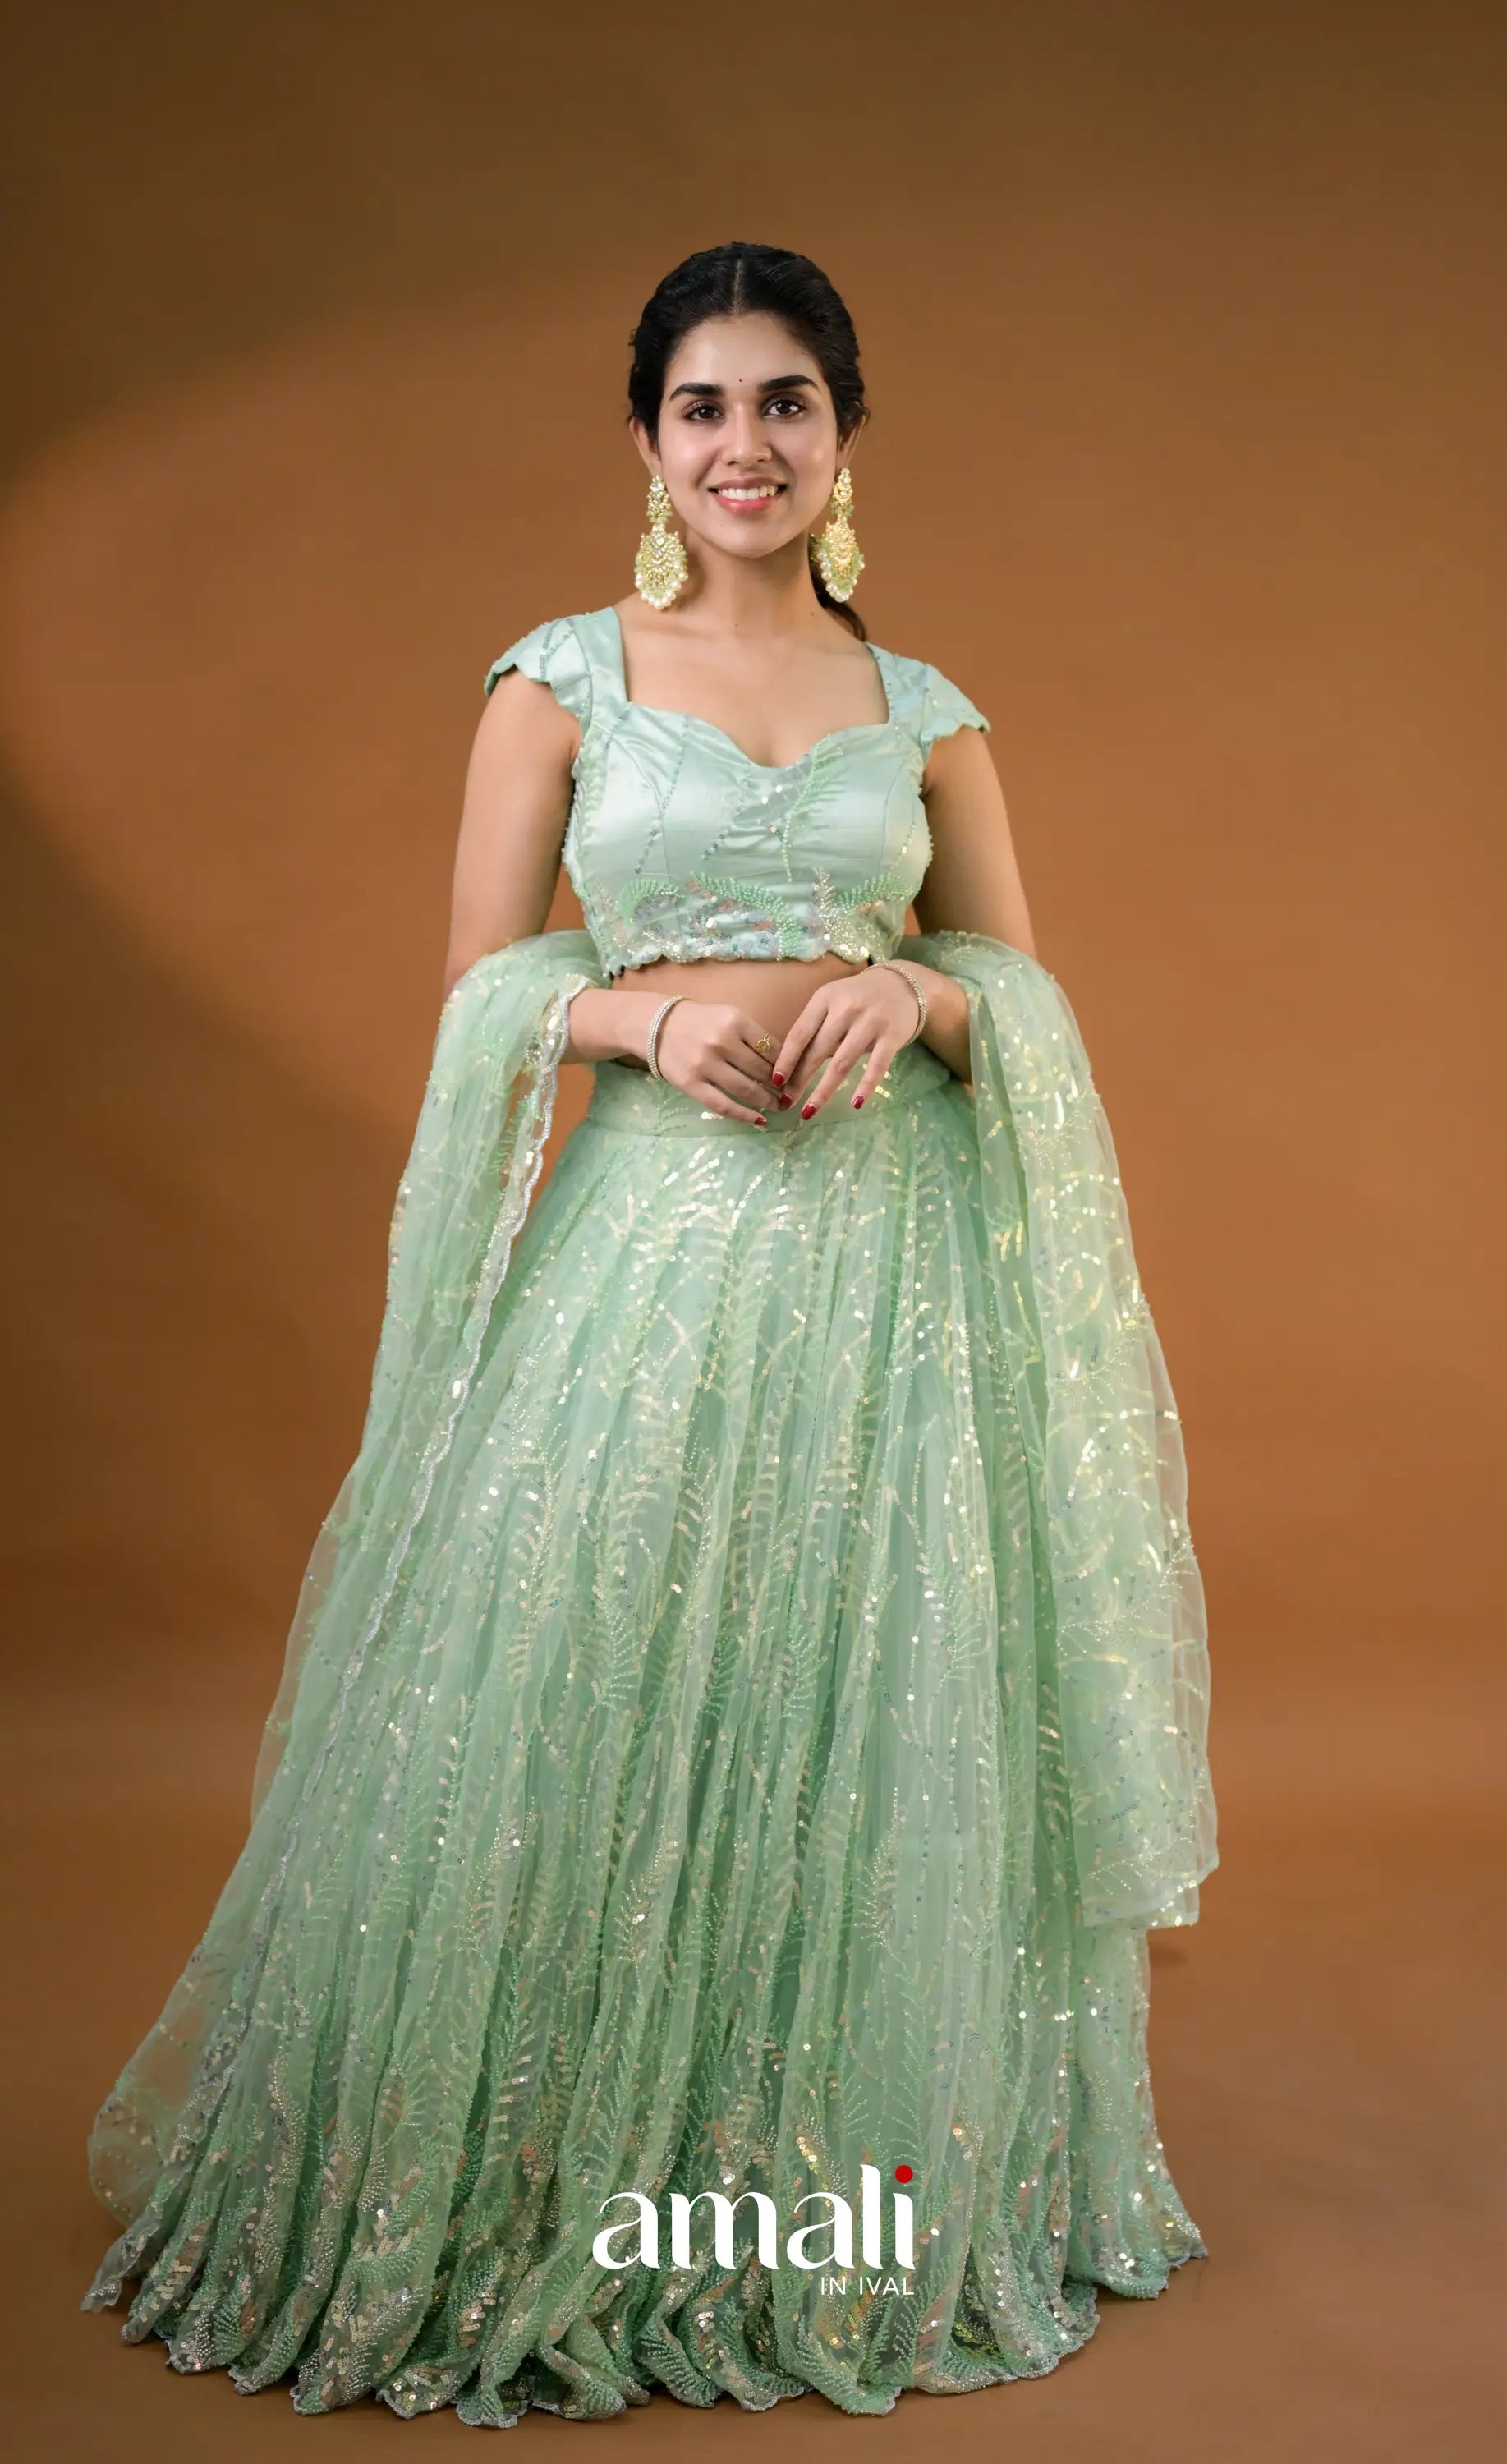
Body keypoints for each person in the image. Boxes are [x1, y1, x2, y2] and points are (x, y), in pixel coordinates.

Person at [80, 241, 1216, 2427]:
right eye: (703, 405)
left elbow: (1018, 983)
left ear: (844, 438)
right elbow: (484, 990)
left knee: (859, 1712)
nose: (743, 445)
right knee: (573, 1694)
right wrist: (643, 1019)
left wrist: (922, 990)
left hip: (887, 1281)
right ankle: (555, 2190)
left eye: (786, 403)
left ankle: (824, 2201)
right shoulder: (558, 683)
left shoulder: (928, 714)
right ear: (646, 440)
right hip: (647, 1260)